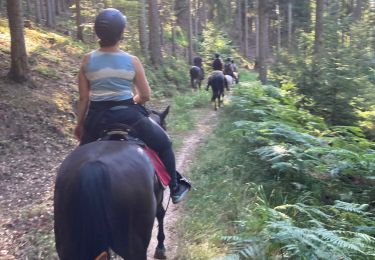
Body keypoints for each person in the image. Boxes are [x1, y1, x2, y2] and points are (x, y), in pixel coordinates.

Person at [74, 8, 190, 204]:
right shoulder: (132, 61)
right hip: (129, 116)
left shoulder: (87, 60)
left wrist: (80, 125)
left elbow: (83, 99)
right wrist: (129, 102)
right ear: (121, 33)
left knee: (79, 159)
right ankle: (175, 187)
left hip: (96, 119)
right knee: (164, 144)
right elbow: (145, 95)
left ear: (97, 33)